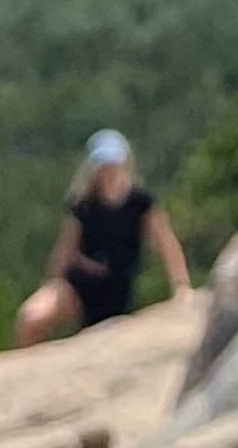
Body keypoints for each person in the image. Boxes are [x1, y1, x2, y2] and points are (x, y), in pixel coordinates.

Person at [12, 128, 189, 346]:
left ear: (125, 162)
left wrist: (180, 286)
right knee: (30, 317)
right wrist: (50, 284)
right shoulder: (83, 205)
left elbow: (165, 243)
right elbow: (64, 250)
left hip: (116, 292)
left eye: (113, 163)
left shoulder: (140, 203)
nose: (108, 170)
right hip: (78, 289)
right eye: (103, 164)